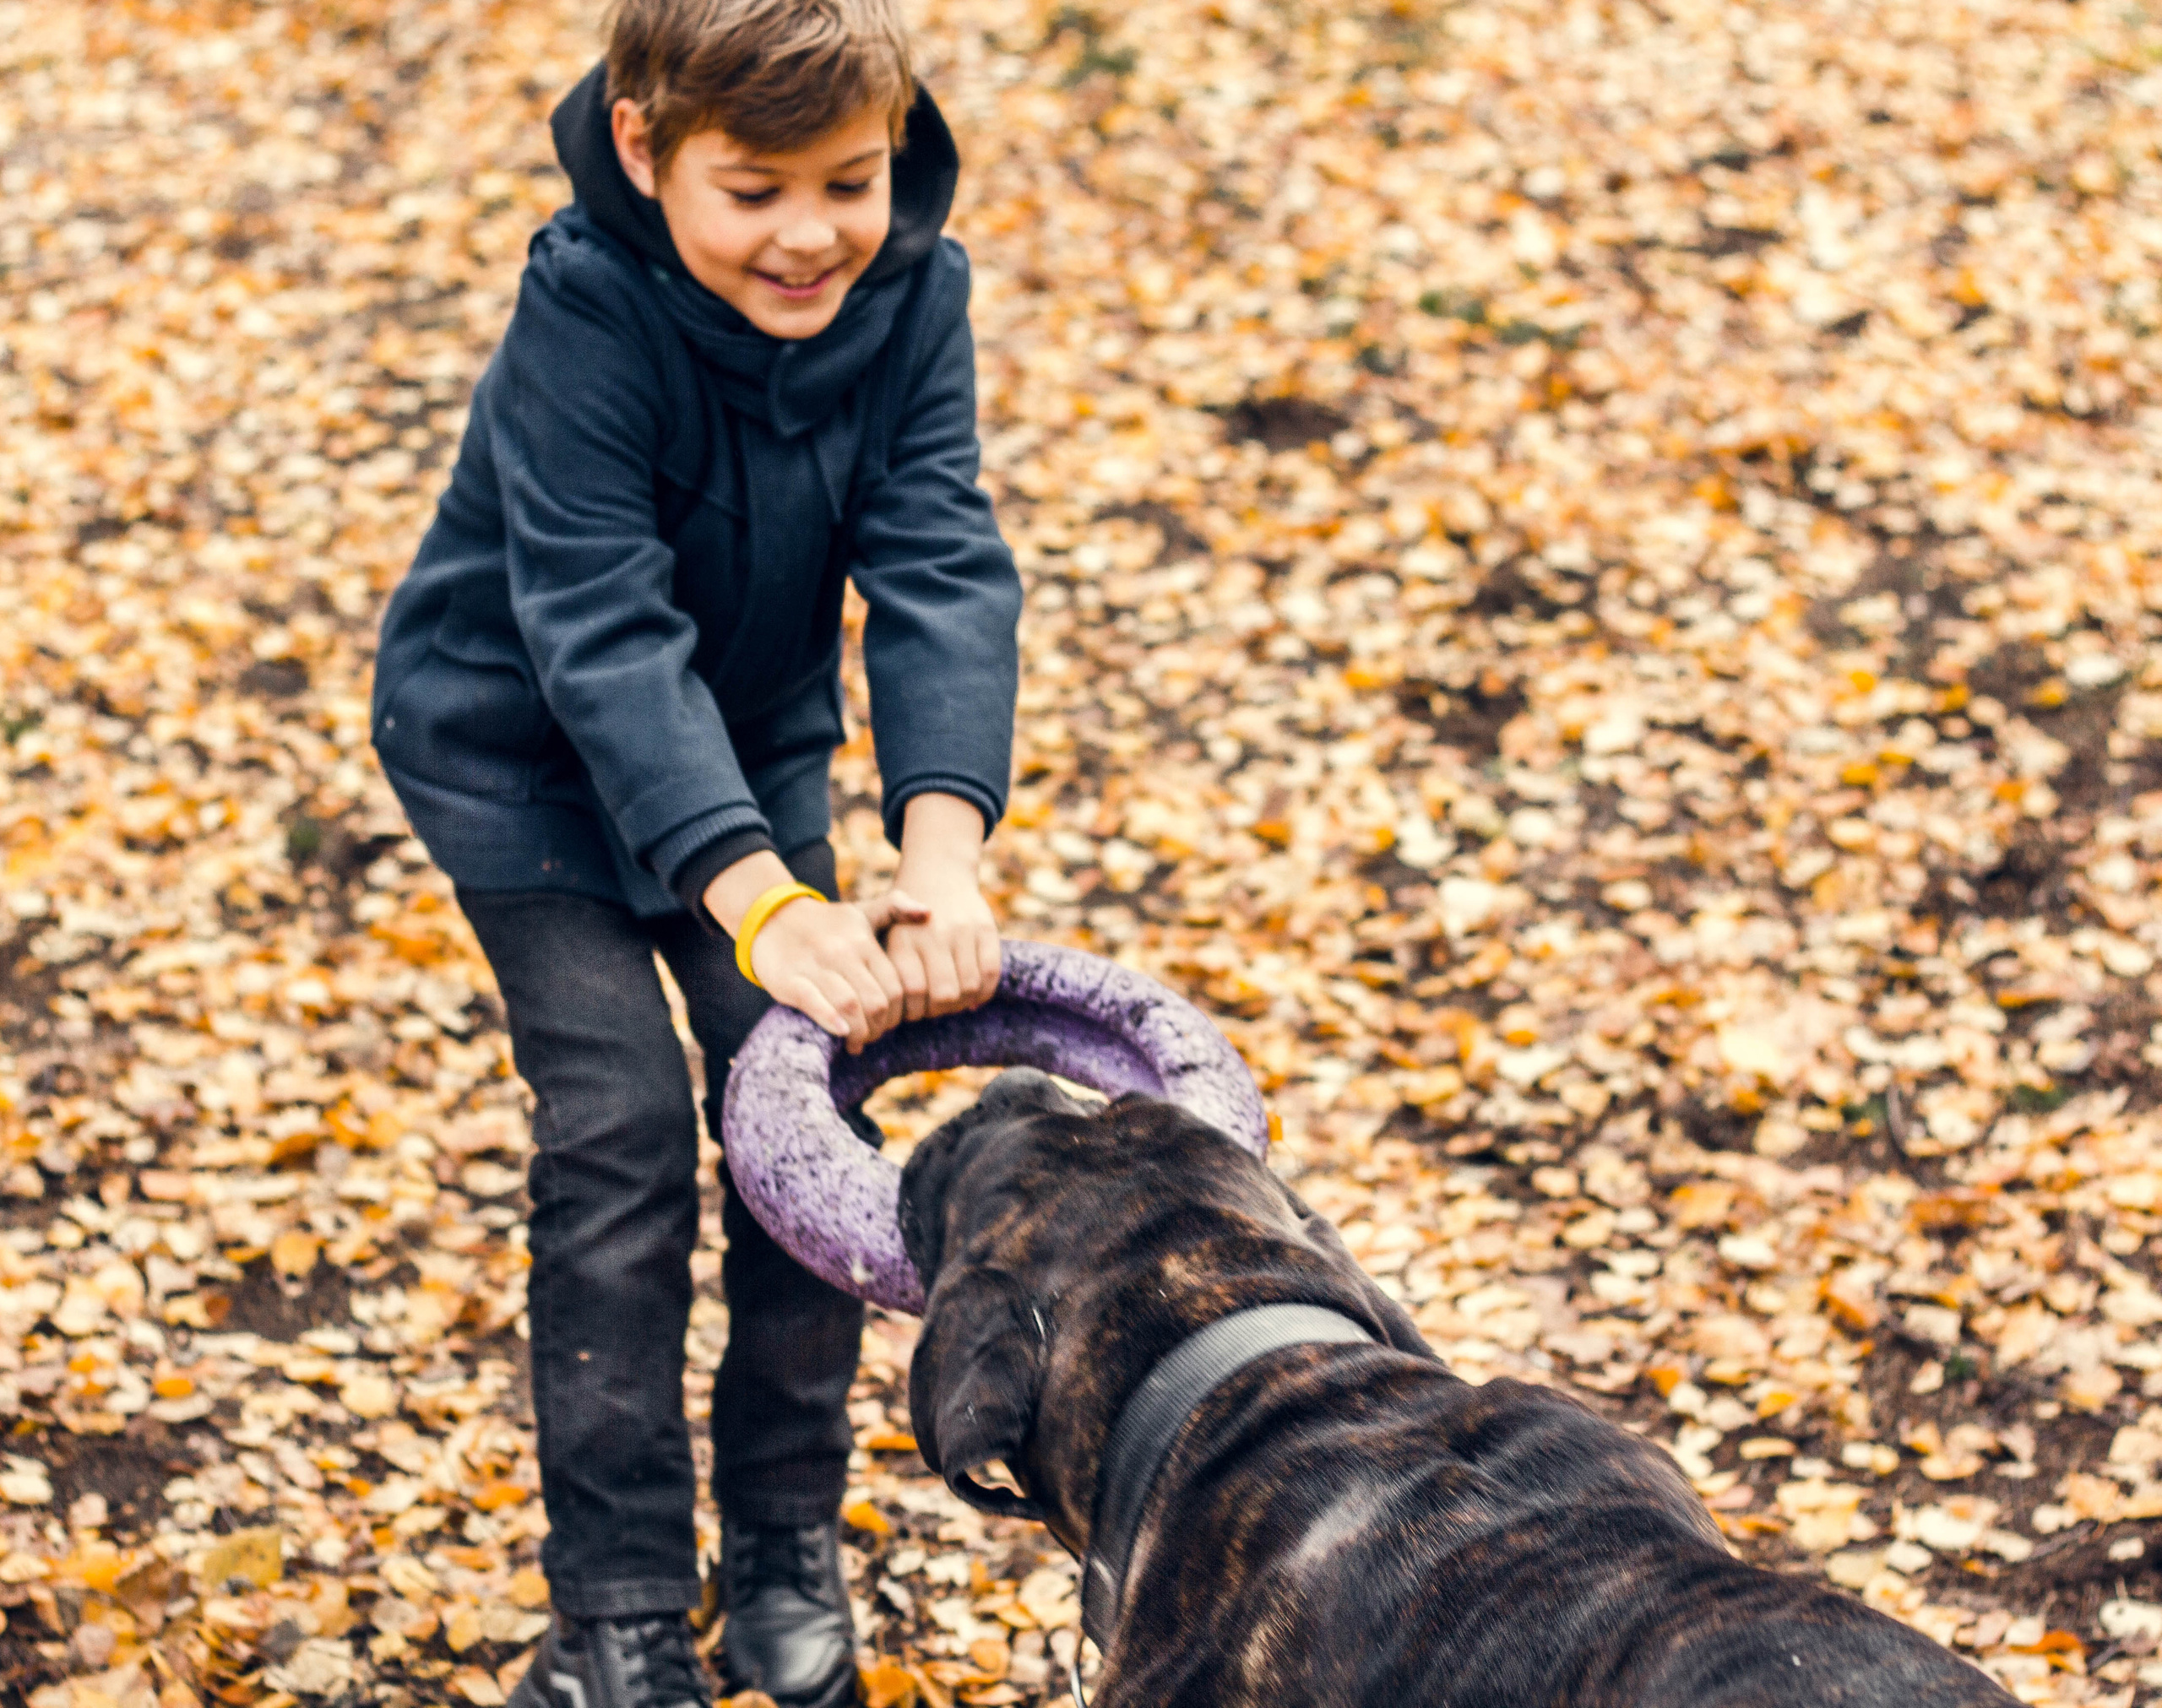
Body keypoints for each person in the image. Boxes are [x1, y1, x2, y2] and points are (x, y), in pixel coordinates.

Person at [368, 0, 1021, 1700]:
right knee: (624, 1131)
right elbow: (592, 621)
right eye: (753, 190)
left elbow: (938, 555)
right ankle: (618, 1608)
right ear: (648, 147)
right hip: (523, 766)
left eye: (849, 180)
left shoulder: (909, 295)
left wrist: (938, 851)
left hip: (749, 747)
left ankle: (785, 1539)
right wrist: (757, 902)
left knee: (801, 1116)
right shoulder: (581, 306)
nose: (808, 234)